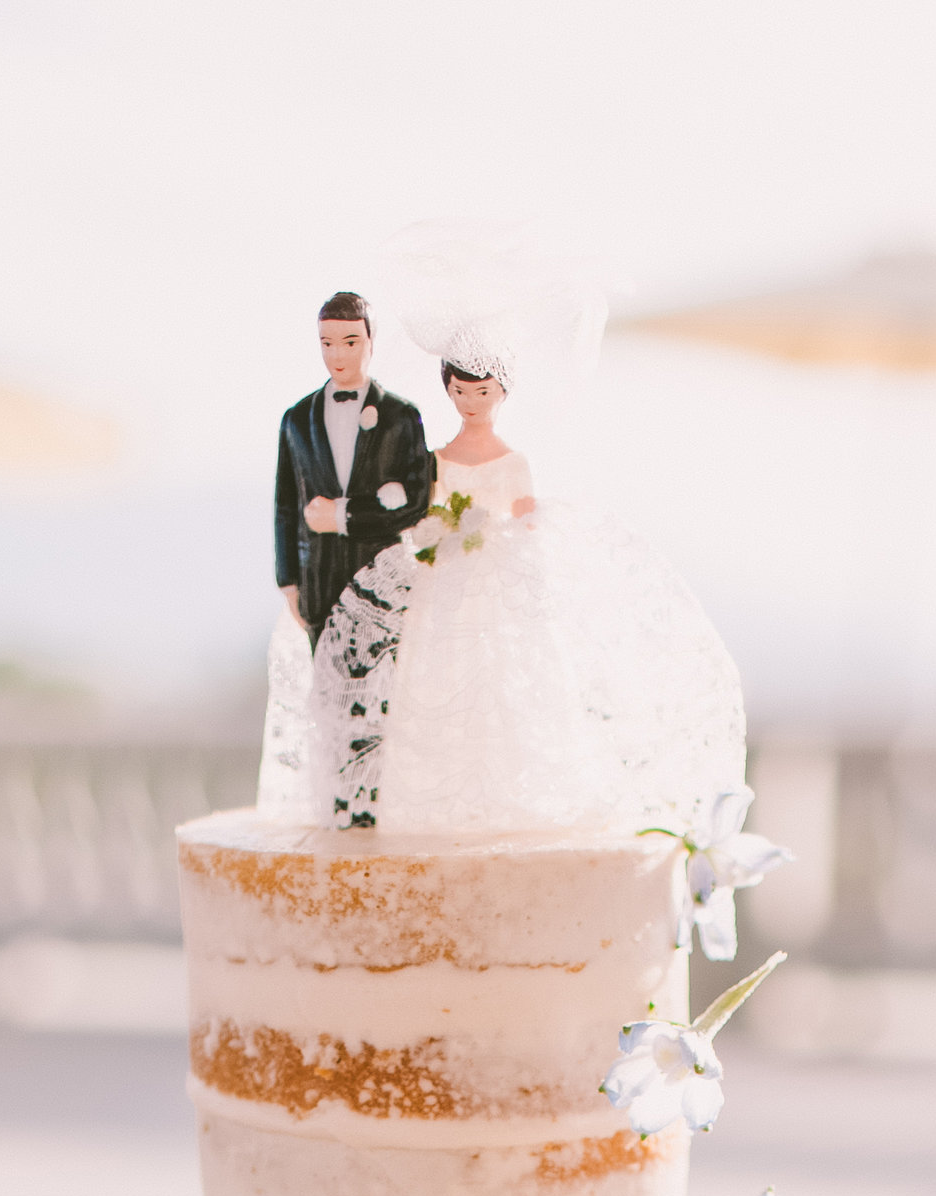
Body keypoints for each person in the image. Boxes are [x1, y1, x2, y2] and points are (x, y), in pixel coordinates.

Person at [276, 248, 744, 846]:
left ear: (501, 391)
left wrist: (498, 545)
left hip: (493, 582)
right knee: (434, 680)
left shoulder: (514, 461)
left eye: (483, 390)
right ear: (449, 390)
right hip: (443, 575)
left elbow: (526, 524)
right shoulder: (436, 456)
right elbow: (419, 509)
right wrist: (436, 534)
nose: (472, 401)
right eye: (462, 390)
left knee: (502, 683)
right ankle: (420, 799)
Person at [273, 290, 433, 647]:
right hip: (320, 583)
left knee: (382, 692)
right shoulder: (297, 420)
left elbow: (416, 502)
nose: (338, 355)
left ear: (371, 341)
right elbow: (286, 506)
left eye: (350, 342)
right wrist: (289, 583)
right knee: (328, 694)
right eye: (327, 343)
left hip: (383, 585)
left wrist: (345, 515)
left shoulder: (400, 417)